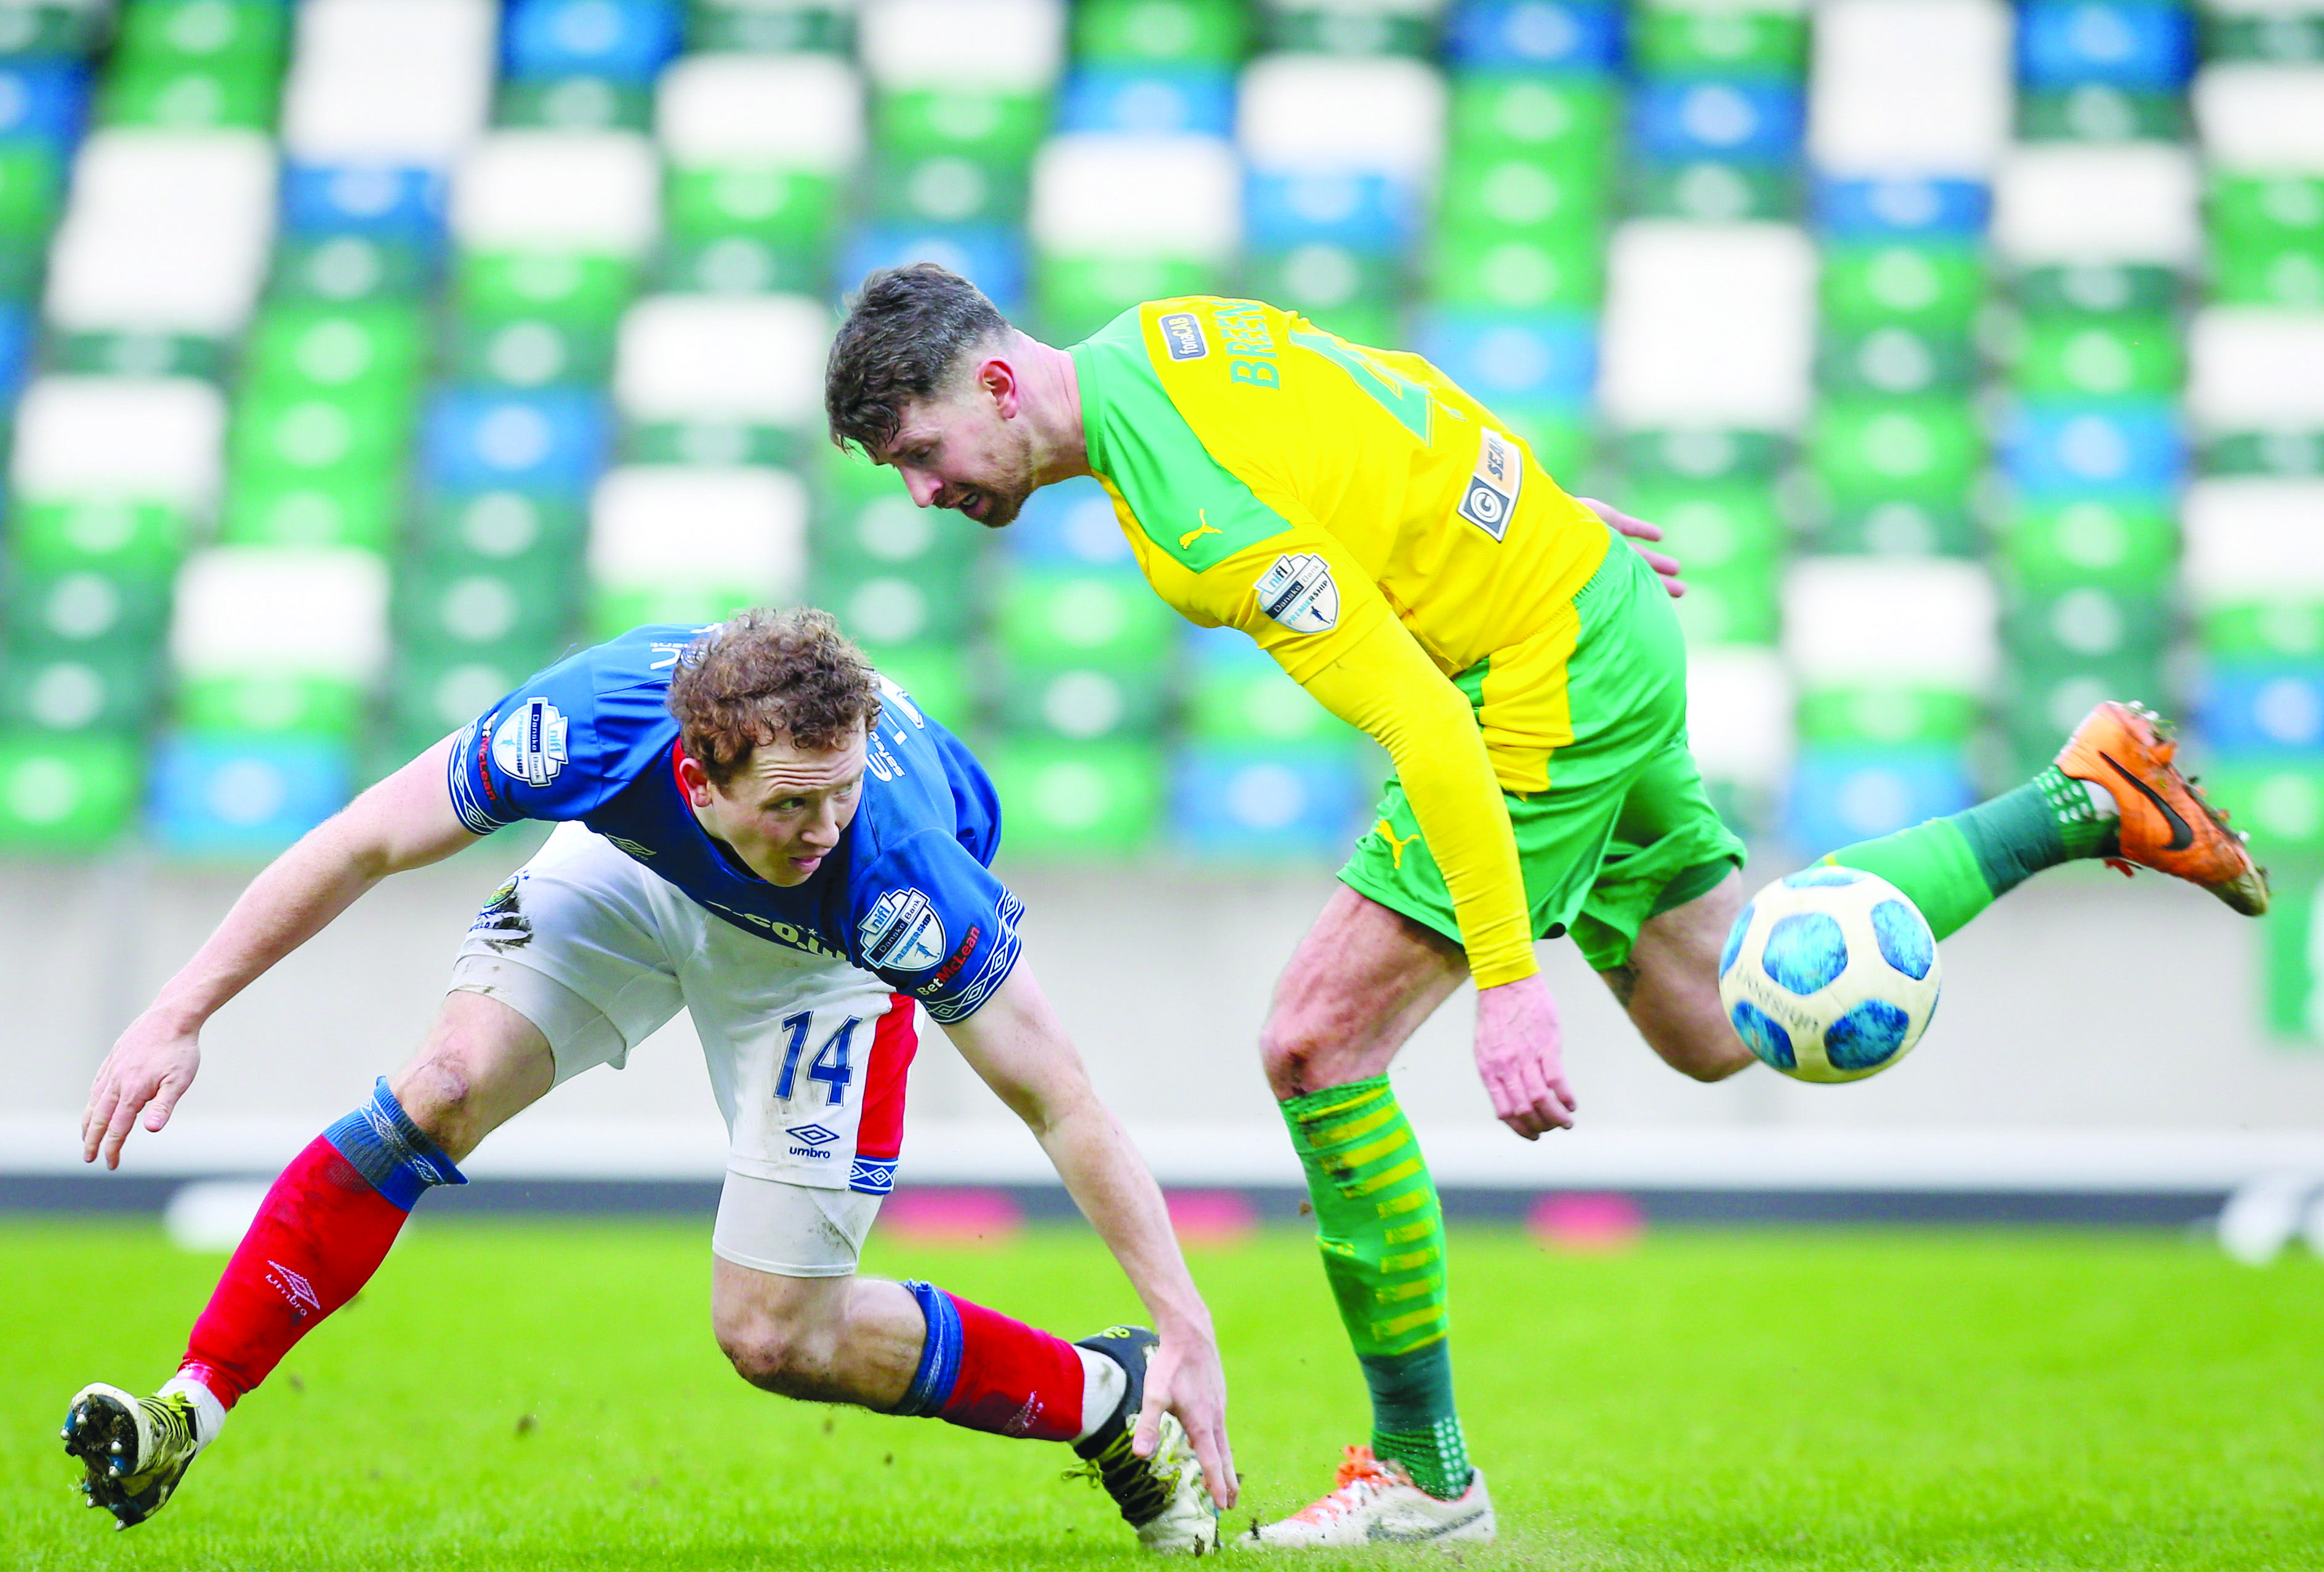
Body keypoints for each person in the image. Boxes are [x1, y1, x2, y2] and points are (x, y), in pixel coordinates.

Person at [820, 265, 2270, 1547]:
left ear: (997, 380)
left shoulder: (1189, 526)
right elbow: (1389, 395)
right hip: (1587, 612)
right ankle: (2081, 800)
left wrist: (1511, 976)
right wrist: (1540, 515)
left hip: (1541, 683)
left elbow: (1426, 730)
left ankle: (1422, 1476)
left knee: (1314, 1046)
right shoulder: (1163, 336)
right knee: (1713, 1022)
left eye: (921, 451)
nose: (924, 494)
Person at [65, 608, 1235, 1553]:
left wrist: (1184, 1326)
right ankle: (190, 1407)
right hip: (635, 878)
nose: (825, 822)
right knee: (441, 1086)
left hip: (821, 968)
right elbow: (369, 835)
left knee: (776, 1339)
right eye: (791, 801)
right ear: (697, 778)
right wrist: (180, 1010)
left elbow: (1059, 1096)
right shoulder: (587, 728)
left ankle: (1102, 1396)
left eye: (841, 788)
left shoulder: (895, 871)